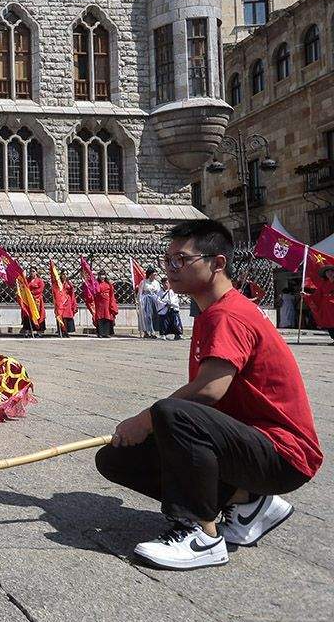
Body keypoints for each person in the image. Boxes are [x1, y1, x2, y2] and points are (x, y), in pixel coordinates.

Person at [95, 220, 322, 570]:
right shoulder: (209, 314)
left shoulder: (229, 314)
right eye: (168, 259)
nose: (171, 268)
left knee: (172, 413)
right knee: (115, 458)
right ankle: (247, 503)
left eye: (181, 259)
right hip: (247, 443)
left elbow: (209, 391)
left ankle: (199, 533)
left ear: (218, 263)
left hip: (282, 453)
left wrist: (146, 420)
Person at [304, 265, 334, 342]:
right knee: (329, 324)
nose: (329, 273)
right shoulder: (323, 284)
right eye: (327, 272)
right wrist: (306, 295)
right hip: (326, 308)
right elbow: (316, 295)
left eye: (330, 271)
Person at [20, 267, 46, 337]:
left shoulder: (40, 281)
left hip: (37, 301)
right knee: (28, 314)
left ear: (36, 272)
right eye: (31, 271)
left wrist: (31, 293)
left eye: (33, 271)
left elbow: (40, 290)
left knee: (38, 315)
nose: (32, 273)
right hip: (29, 301)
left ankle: (39, 332)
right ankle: (27, 331)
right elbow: (24, 287)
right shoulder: (27, 280)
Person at [138, 268, 163, 338]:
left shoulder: (156, 283)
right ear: (150, 275)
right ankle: (146, 331)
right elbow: (140, 292)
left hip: (154, 300)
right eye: (154, 274)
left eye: (156, 274)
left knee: (154, 315)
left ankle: (153, 332)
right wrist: (140, 300)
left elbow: (158, 292)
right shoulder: (144, 282)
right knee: (147, 316)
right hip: (146, 300)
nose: (155, 275)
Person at [93, 273, 118, 338]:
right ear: (99, 276)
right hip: (99, 302)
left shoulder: (108, 284)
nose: (102, 276)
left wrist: (112, 302)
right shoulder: (96, 283)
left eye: (103, 275)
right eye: (101, 275)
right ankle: (100, 333)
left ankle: (107, 333)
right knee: (100, 316)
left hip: (107, 302)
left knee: (107, 316)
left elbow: (112, 293)